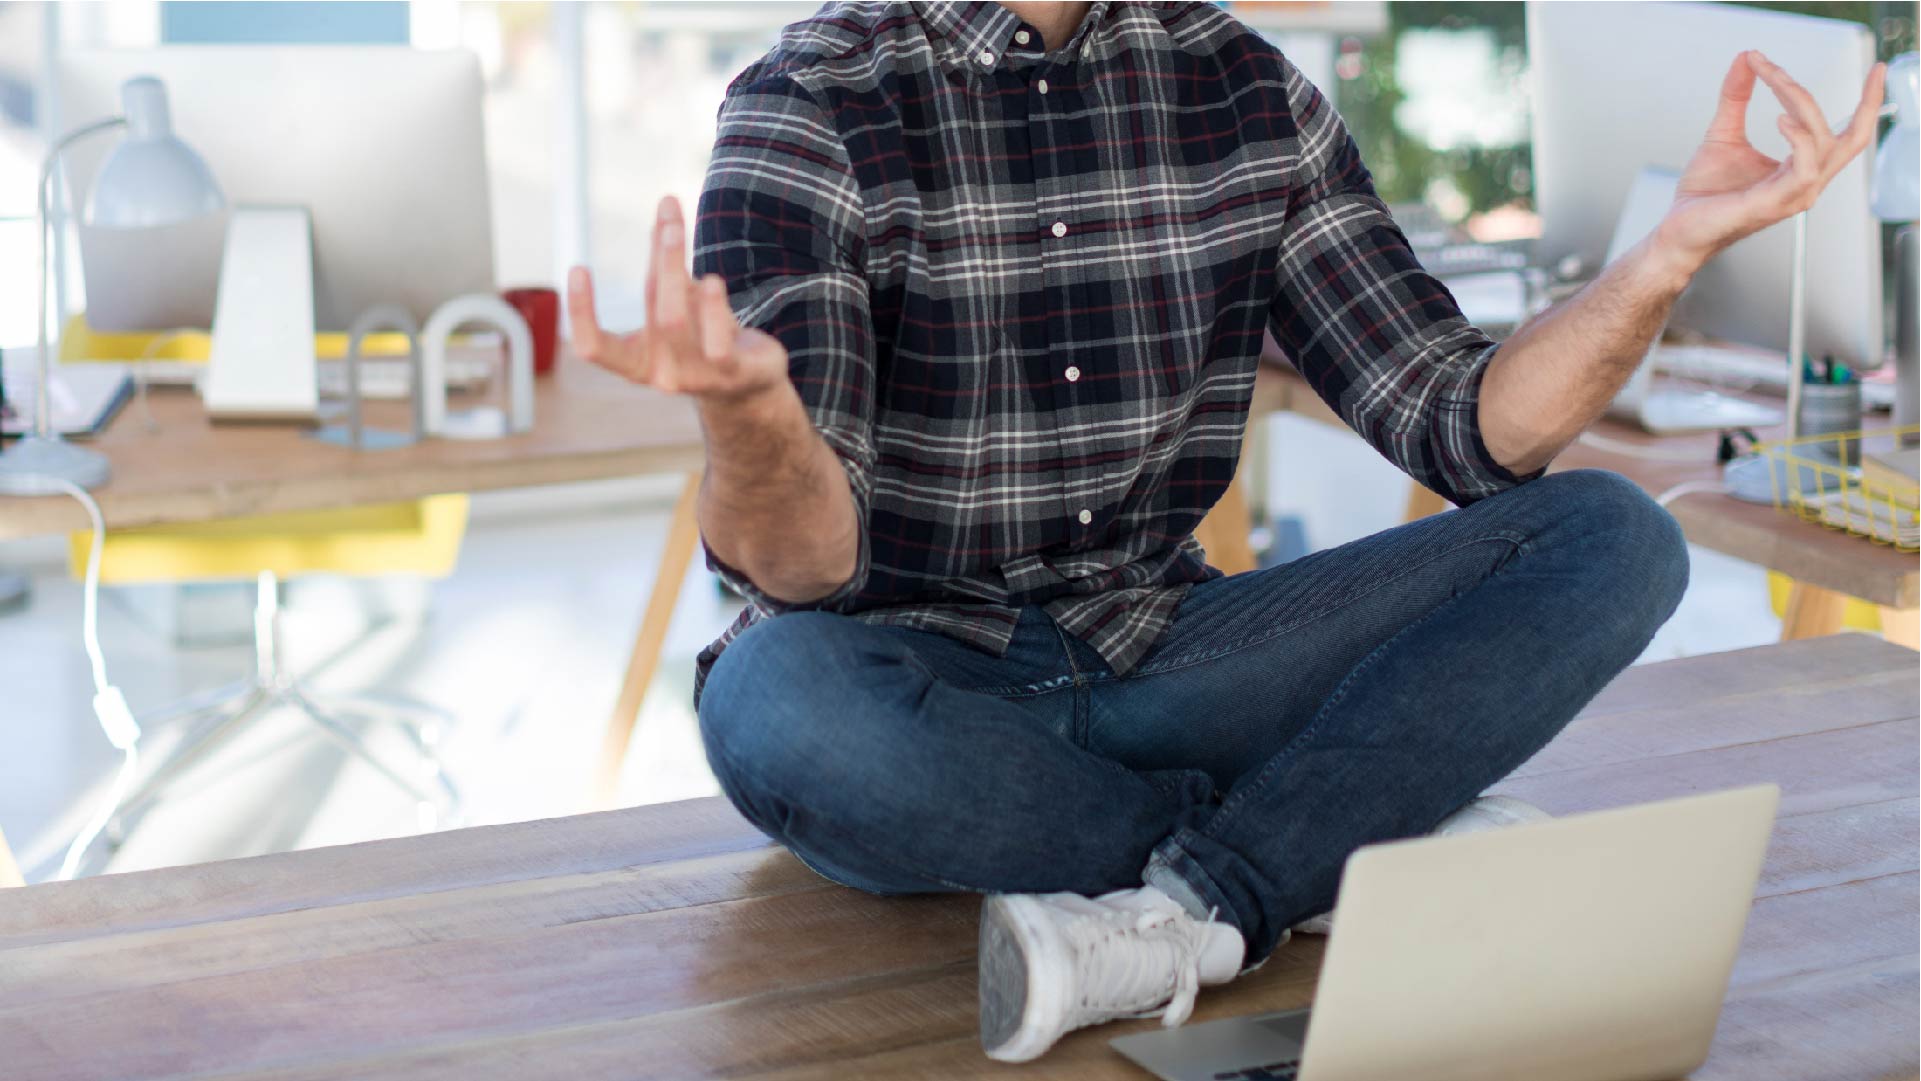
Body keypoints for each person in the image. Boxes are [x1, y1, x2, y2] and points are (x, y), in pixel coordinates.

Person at [567, 1, 1886, 1062]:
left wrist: (1662, 257)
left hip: (1167, 648)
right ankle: (1324, 838)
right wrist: (750, 415)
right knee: (782, 704)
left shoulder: (1246, 90)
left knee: (1610, 532)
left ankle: (1196, 904)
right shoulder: (811, 100)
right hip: (911, 687)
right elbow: (803, 566)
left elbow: (1463, 425)